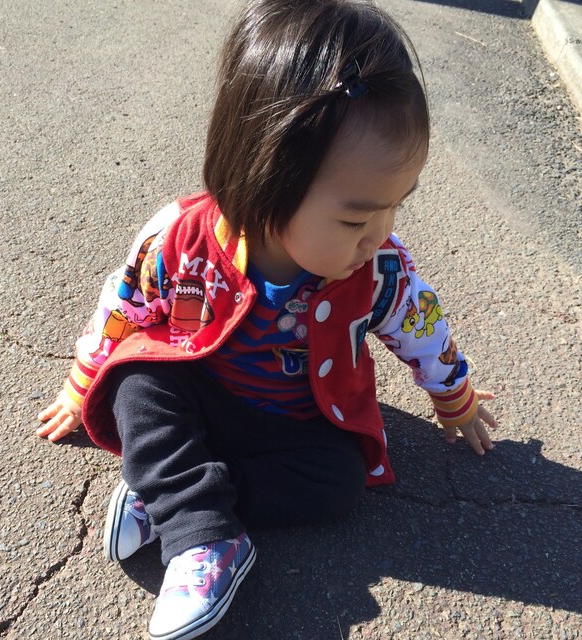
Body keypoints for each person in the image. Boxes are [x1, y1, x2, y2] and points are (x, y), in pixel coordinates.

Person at [37, 1, 498, 638]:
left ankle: (173, 493)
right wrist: (82, 382)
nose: (379, 234)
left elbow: (424, 328)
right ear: (264, 181)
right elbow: (124, 306)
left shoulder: (379, 270)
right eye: (356, 218)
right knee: (137, 384)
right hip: (205, 395)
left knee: (340, 485)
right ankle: (204, 538)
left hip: (299, 424)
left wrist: (455, 398)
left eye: (396, 207)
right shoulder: (182, 238)